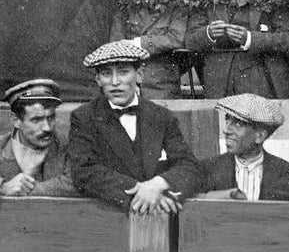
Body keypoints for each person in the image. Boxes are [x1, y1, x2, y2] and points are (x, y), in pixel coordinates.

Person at [67, 41, 201, 214]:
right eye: (107, 73)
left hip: (162, 214)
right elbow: (84, 172)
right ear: (98, 79)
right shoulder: (84, 117)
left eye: (123, 72)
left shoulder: (162, 116)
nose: (115, 82)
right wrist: (142, 192)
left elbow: (189, 166)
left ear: (139, 75)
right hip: (111, 215)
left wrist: (158, 185)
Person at [200, 93, 289, 202]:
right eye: (227, 119)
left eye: (238, 124)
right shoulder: (207, 169)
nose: (226, 130)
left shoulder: (287, 173)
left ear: (259, 136)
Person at [110, 0, 186, 99]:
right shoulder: (125, 0)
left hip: (162, 83)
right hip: (129, 83)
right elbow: (116, 42)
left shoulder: (176, 1)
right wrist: (129, 83)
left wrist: (137, 43)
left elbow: (176, 38)